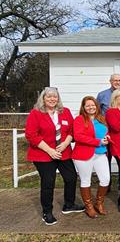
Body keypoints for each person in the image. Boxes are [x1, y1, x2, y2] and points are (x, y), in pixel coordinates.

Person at [25, 87, 84, 225]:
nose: (52, 99)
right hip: (43, 154)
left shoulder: (65, 112)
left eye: (55, 96)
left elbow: (72, 130)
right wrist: (50, 150)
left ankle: (69, 205)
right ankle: (47, 212)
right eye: (49, 97)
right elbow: (31, 135)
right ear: (43, 99)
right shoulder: (36, 113)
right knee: (48, 182)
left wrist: (65, 143)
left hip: (64, 152)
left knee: (71, 177)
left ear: (58, 98)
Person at [72, 96, 110, 218]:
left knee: (105, 179)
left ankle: (99, 203)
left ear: (96, 106)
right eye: (87, 105)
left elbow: (106, 133)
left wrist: (107, 138)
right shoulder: (79, 119)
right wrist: (98, 141)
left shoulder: (101, 119)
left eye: (92, 105)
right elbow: (78, 137)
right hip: (83, 155)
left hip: (100, 154)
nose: (90, 107)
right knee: (85, 180)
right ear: (83, 107)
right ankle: (88, 207)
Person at [96, 73, 120, 193]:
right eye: (115, 80)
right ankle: (106, 184)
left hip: (119, 132)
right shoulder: (102, 95)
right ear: (110, 81)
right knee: (106, 158)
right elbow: (96, 111)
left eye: (119, 80)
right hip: (106, 131)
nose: (117, 82)